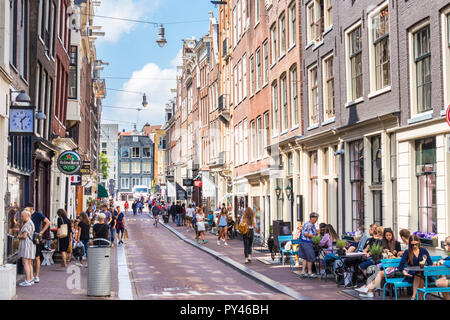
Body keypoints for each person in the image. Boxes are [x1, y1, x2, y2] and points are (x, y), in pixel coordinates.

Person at [356, 229, 411, 297]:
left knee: (381, 273)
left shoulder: (408, 246)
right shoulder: (409, 245)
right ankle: (369, 290)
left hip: (404, 268)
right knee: (380, 272)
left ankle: (368, 289)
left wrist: (393, 266)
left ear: (402, 237)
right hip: (402, 267)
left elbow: (405, 260)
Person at [398, 234, 433, 300]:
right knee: (418, 275)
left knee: (420, 274)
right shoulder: (407, 252)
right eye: (412, 245)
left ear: (419, 243)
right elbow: (401, 265)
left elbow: (430, 263)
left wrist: (426, 266)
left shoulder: (423, 250)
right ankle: (418, 298)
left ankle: (413, 297)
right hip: (411, 274)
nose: (414, 246)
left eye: (416, 244)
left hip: (424, 273)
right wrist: (404, 271)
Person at [25, 202, 50, 284]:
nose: (25, 210)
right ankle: (31, 276)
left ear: (31, 208)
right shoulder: (26, 215)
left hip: (36, 238)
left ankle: (37, 276)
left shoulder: (38, 214)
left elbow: (48, 222)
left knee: (37, 257)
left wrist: (41, 232)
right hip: (28, 238)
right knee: (29, 258)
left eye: (27, 208)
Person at [17, 209, 36, 286]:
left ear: (27, 216)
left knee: (25, 262)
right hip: (30, 245)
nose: (21, 217)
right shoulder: (31, 223)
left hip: (26, 245)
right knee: (29, 263)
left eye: (22, 216)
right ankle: (31, 279)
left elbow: (24, 236)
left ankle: (27, 280)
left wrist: (19, 236)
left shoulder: (27, 224)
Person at [298, 212, 319, 278]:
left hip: (304, 242)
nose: (316, 220)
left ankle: (303, 272)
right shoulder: (309, 225)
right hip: (307, 243)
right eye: (316, 219)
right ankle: (310, 272)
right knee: (310, 258)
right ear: (312, 218)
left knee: (305, 258)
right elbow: (306, 234)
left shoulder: (311, 224)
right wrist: (314, 237)